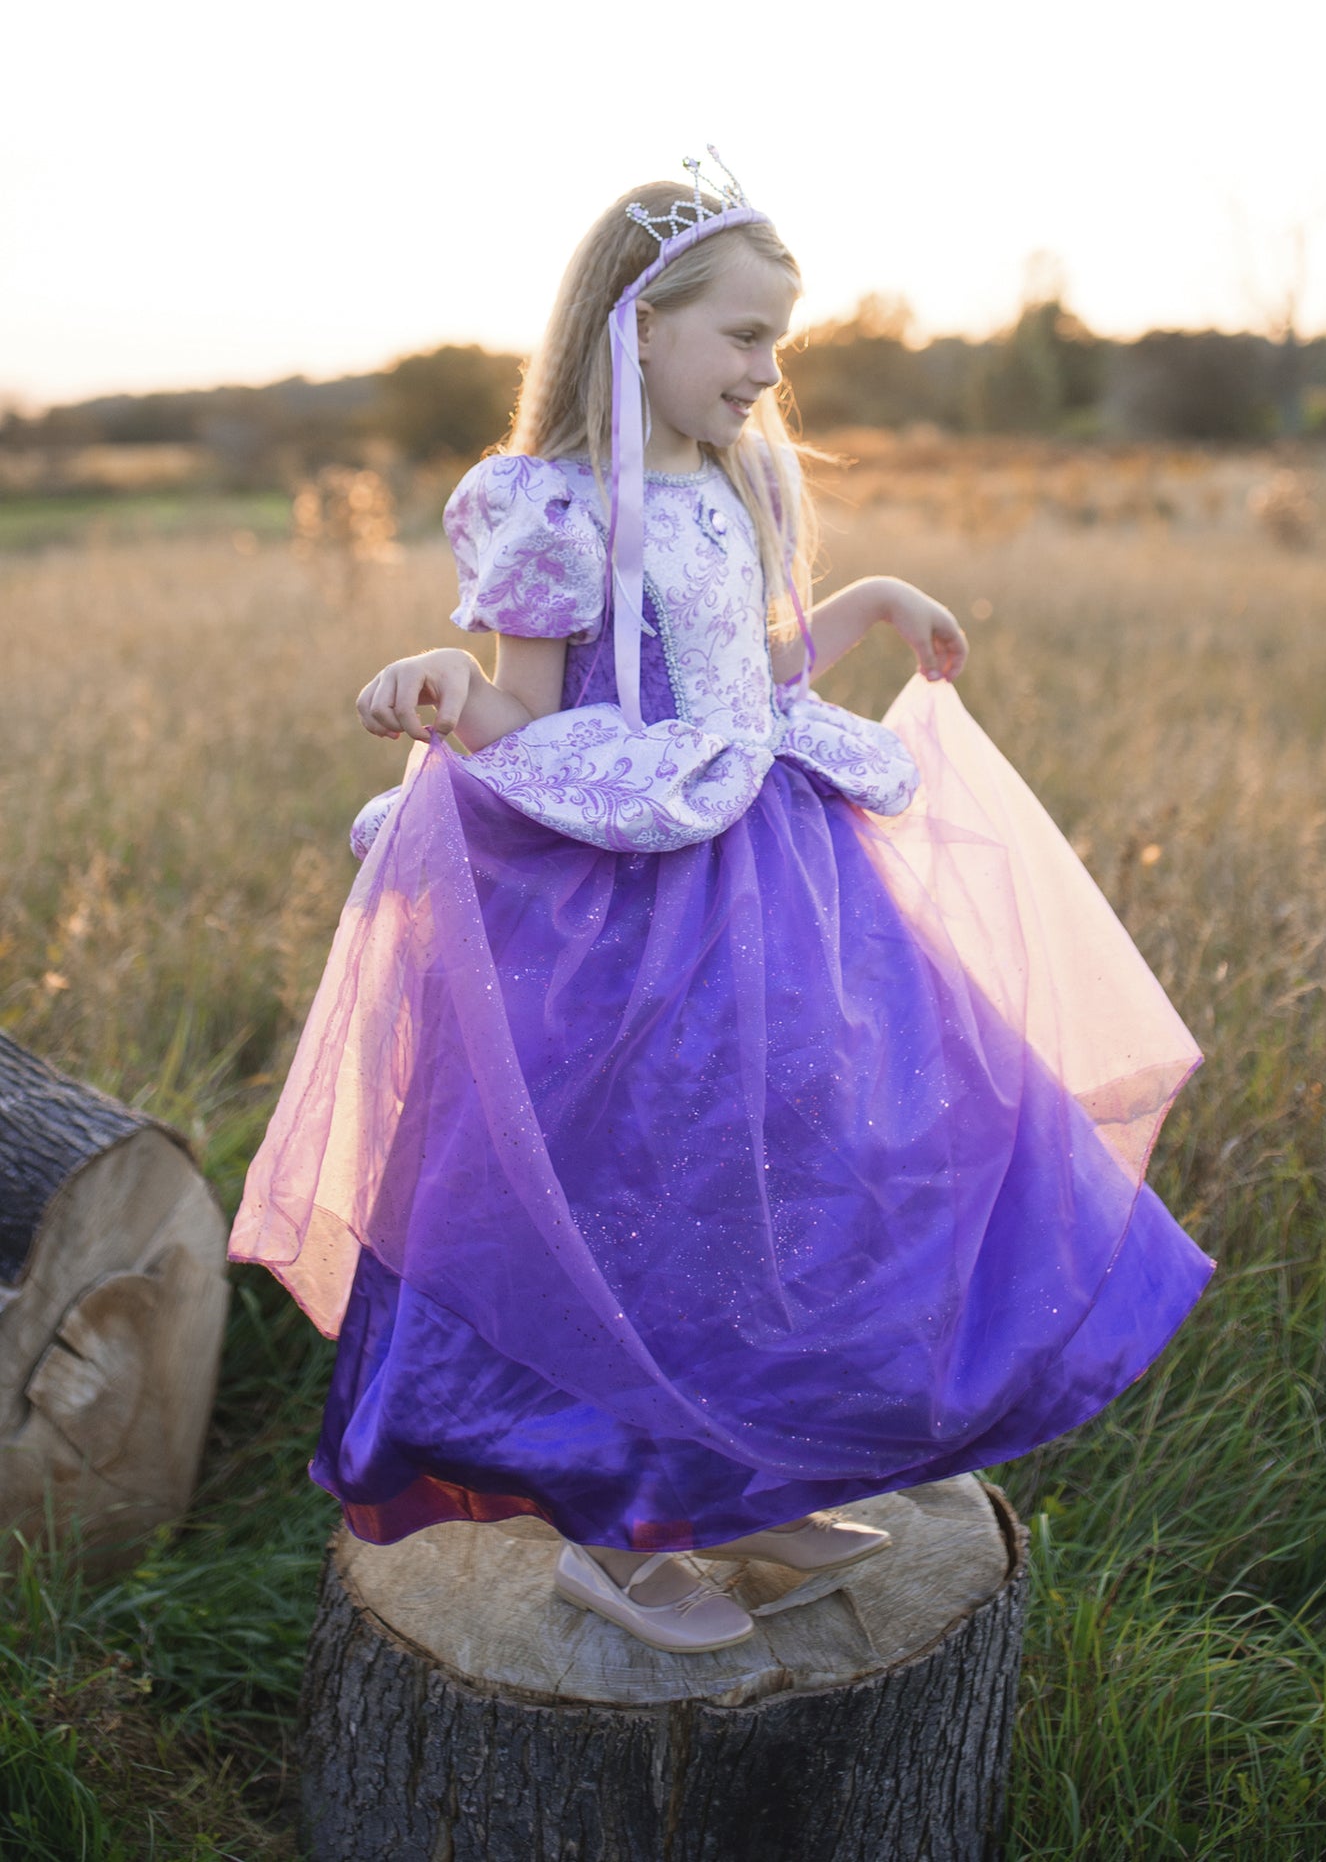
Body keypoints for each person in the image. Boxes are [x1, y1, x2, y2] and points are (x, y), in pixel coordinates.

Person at [229, 152, 1213, 1655]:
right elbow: (536, 722)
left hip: (781, 882)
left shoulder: (737, 477)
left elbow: (741, 684)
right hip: (632, 915)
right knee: (659, 1207)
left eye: (779, 340)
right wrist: (449, 692)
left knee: (805, 1188)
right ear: (636, 330)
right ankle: (622, 1538)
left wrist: (871, 599)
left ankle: (744, 1490)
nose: (770, 371)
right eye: (744, 337)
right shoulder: (550, 504)